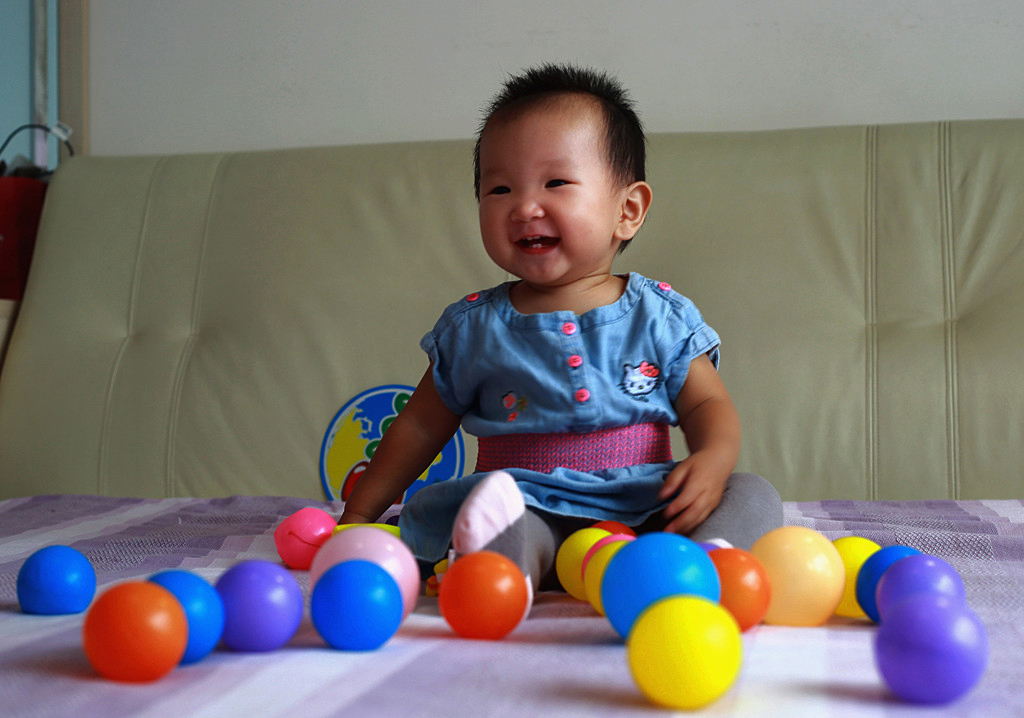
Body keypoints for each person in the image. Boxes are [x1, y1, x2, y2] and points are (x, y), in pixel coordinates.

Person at [338, 63, 783, 592]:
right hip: (527, 500)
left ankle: (702, 565)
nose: (525, 207)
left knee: (752, 492)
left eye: (556, 182)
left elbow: (708, 406)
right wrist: (358, 516)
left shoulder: (660, 316)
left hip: (647, 506)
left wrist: (712, 460)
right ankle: (503, 572)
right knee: (507, 521)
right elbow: (418, 428)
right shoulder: (474, 328)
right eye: (499, 188)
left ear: (628, 209)